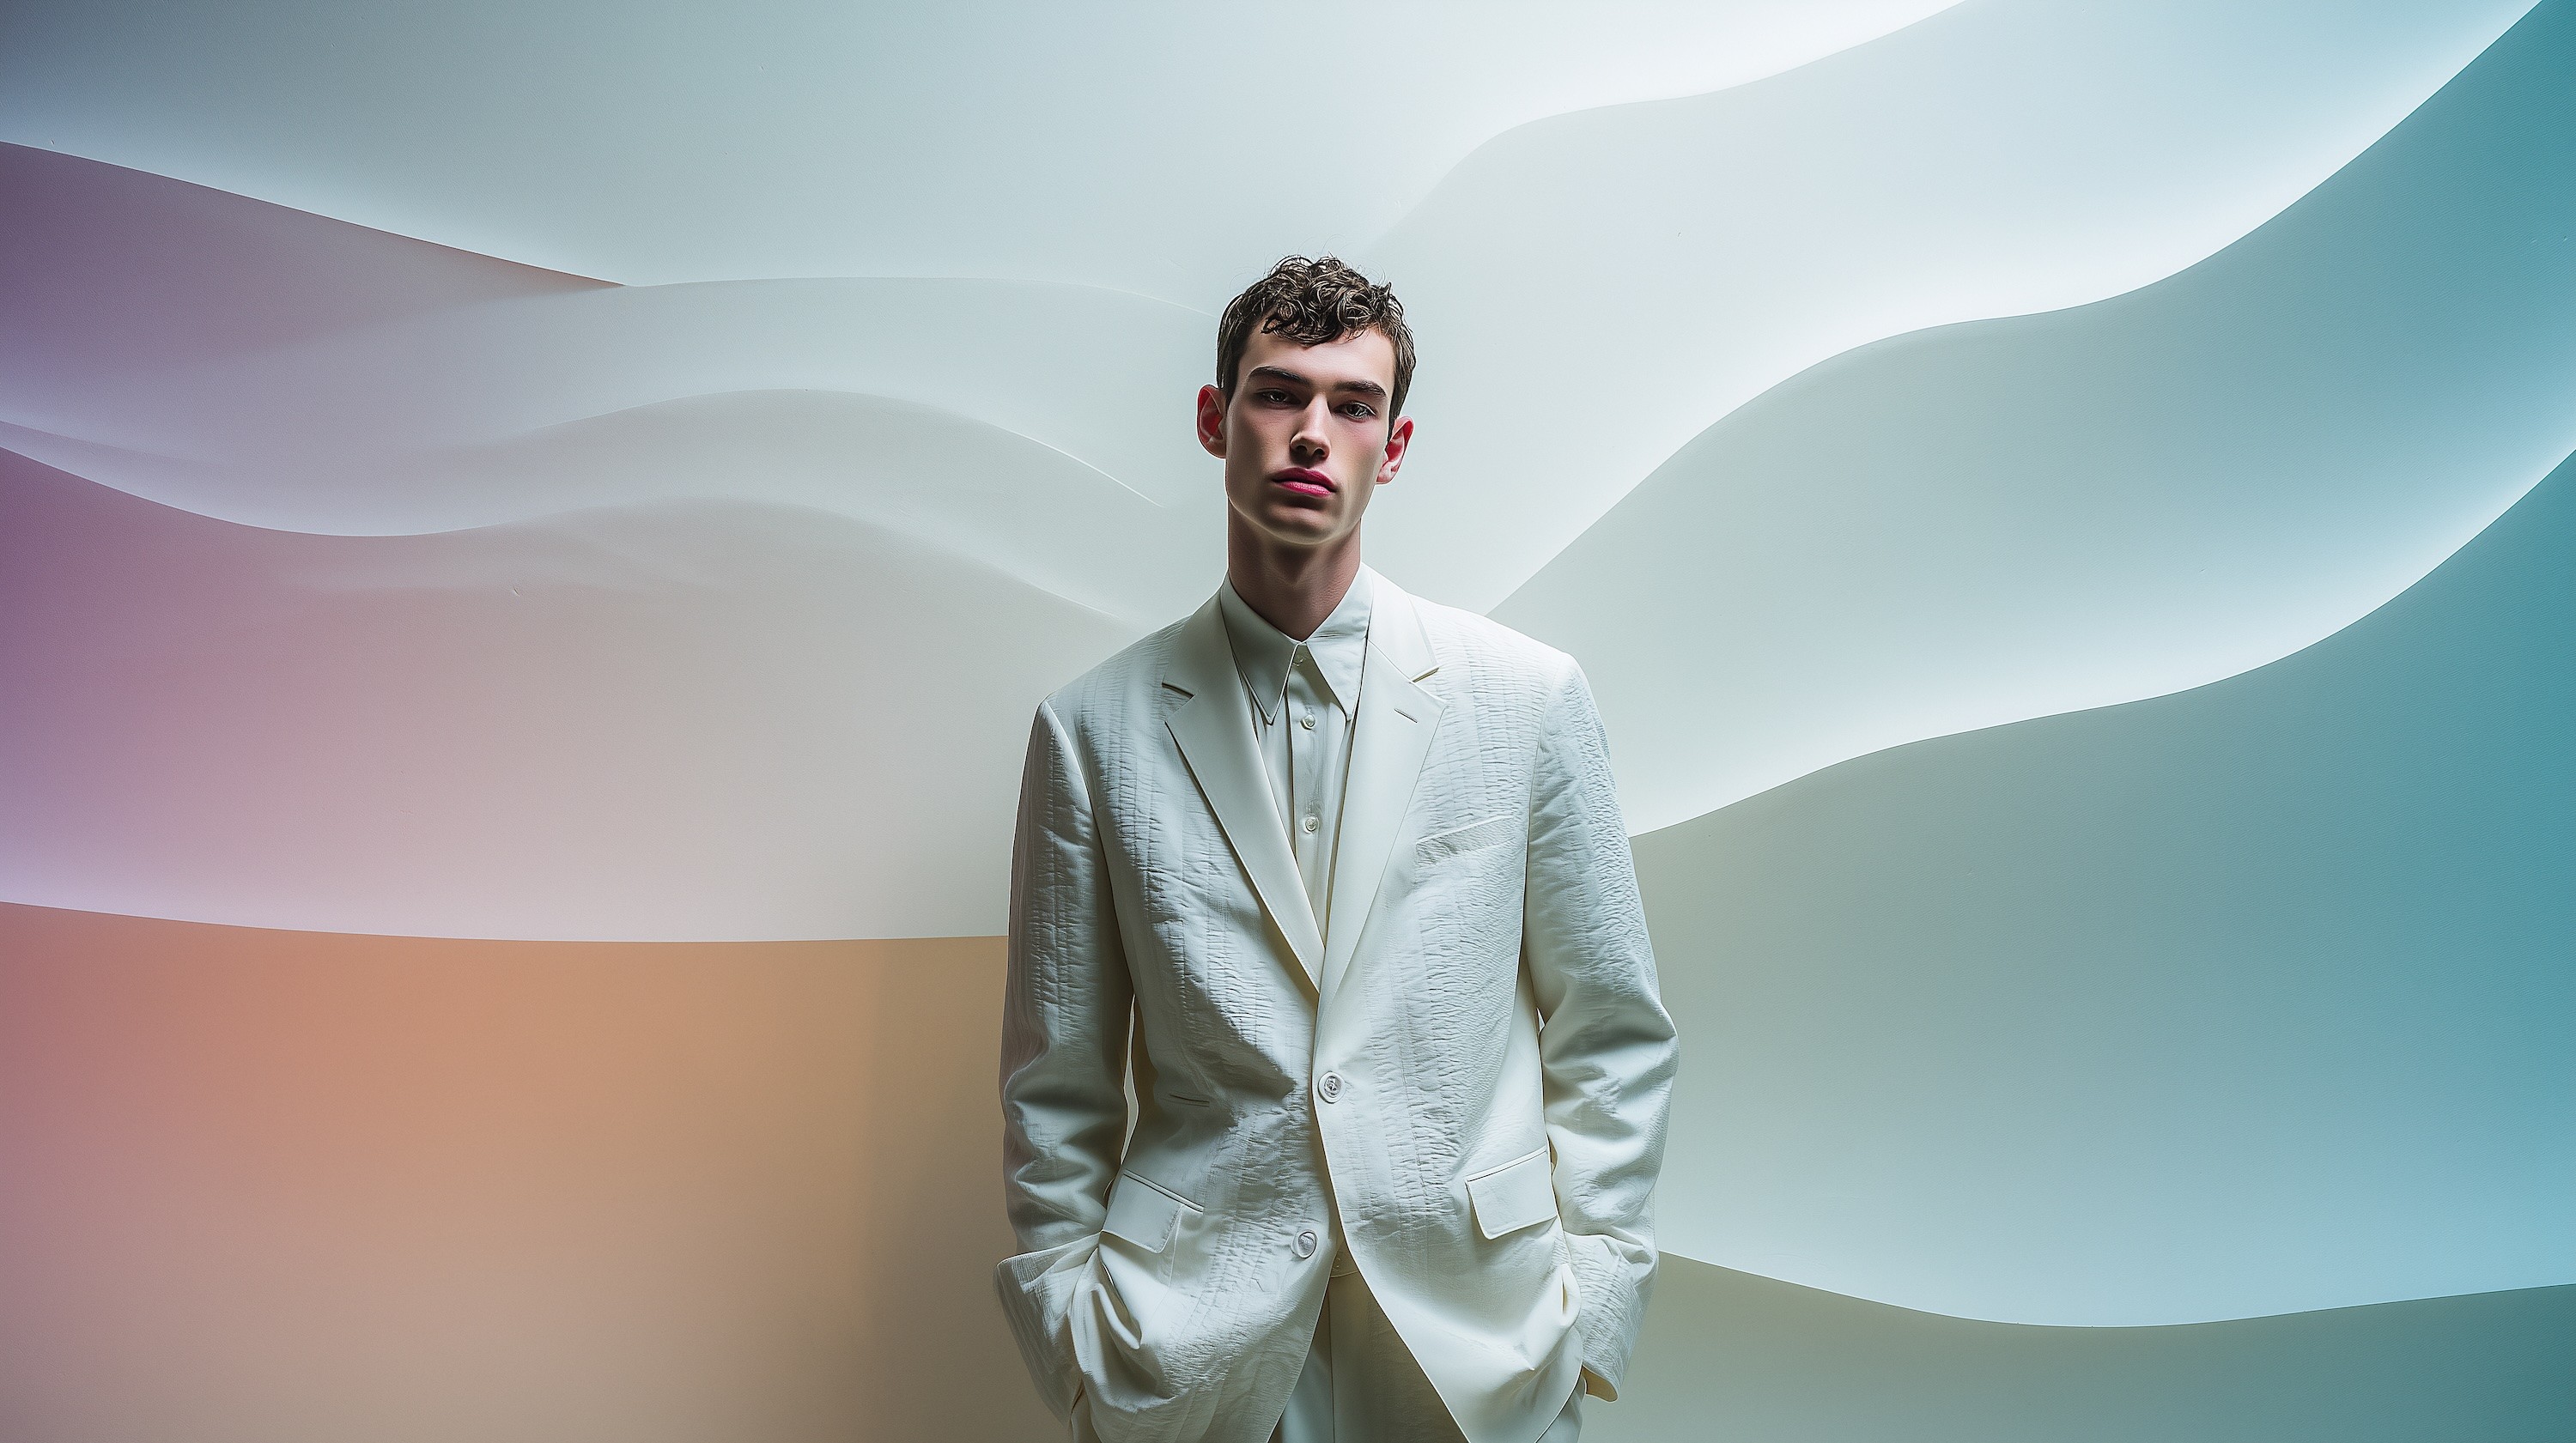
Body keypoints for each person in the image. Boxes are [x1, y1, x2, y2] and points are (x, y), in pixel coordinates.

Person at [993, 254, 1678, 1443]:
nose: (1313, 432)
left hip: (1479, 1342)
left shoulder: (1526, 699)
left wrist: (1595, 1302)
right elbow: (1057, 1080)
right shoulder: (1091, 727)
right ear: (1216, 420)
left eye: (1352, 405)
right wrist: (1074, 1326)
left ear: (1392, 445)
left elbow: (1612, 1027)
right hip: (1191, 1344)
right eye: (1278, 393)